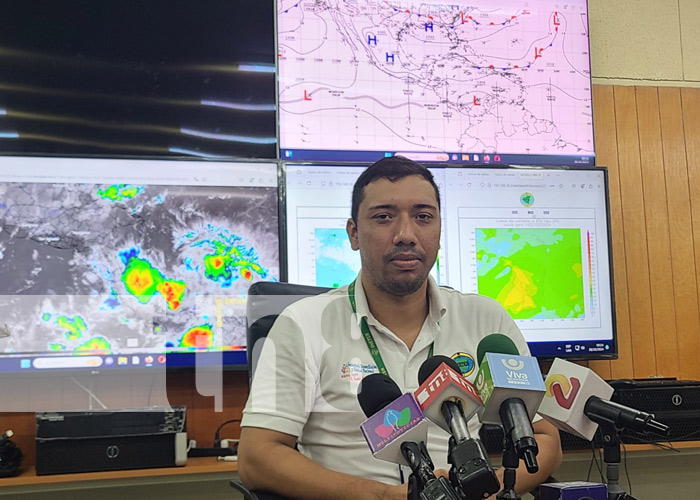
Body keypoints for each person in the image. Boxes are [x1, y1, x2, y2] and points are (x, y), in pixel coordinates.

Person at [238, 156, 563, 500]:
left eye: (423, 217)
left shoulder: (487, 319)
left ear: (439, 230)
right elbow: (257, 458)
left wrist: (494, 490)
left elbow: (545, 439)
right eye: (383, 217)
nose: (406, 235)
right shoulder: (303, 324)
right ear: (354, 234)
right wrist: (385, 496)